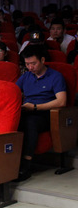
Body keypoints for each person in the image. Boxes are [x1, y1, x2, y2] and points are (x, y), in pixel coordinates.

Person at [15, 45, 66, 181]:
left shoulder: (55, 76)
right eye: (27, 64)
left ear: (42, 60)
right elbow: (13, 91)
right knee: (13, 120)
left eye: (33, 63)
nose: (30, 67)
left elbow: (61, 101)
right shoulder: (26, 76)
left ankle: (26, 165)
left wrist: (36, 107)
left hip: (46, 113)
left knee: (30, 122)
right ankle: (9, 161)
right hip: (28, 109)